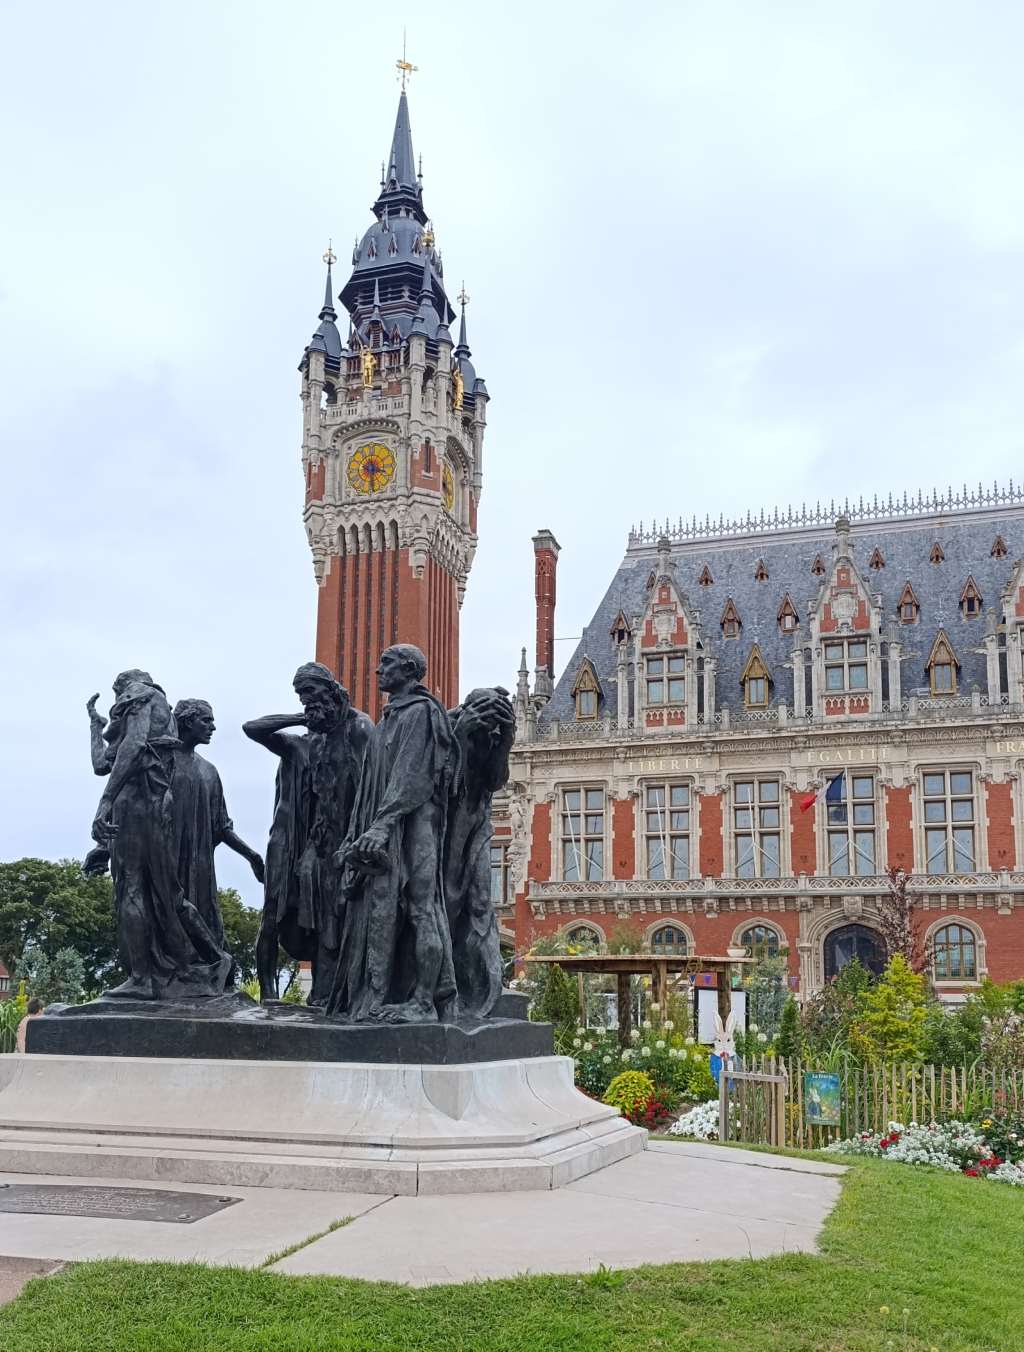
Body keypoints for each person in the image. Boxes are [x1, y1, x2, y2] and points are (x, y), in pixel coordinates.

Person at [327, 645, 458, 1024]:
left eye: (386, 663)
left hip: (414, 826)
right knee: (390, 909)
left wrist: (382, 825)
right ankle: (376, 994)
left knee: (422, 909)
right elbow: (369, 788)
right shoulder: (387, 721)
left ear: (409, 670)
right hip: (386, 826)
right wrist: (356, 834)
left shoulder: (419, 713)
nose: (376, 669)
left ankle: (424, 1002)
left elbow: (411, 775)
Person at [87, 670, 233, 999]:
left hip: (135, 802)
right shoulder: (162, 711)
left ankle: (141, 979)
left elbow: (135, 745)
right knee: (172, 895)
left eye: (117, 693)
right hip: (157, 805)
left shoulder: (138, 692)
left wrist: (106, 800)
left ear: (125, 686)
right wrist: (96, 727)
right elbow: (102, 763)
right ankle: (216, 958)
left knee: (132, 890)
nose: (117, 700)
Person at [243, 663, 372, 1005]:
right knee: (275, 914)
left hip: (336, 843)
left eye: (310, 694)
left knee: (328, 916)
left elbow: (368, 789)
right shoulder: (299, 743)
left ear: (331, 689)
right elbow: (251, 729)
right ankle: (269, 996)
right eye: (301, 696)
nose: (306, 701)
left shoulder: (357, 728)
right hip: (291, 842)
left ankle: (325, 992)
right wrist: (300, 718)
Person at [444, 687, 515, 1017]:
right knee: (447, 902)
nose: (491, 725)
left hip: (477, 827)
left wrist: (508, 737)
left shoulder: (491, 737)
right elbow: (444, 783)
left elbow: (495, 779)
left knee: (480, 901)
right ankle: (445, 987)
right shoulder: (447, 730)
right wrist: (460, 735)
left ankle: (485, 989)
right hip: (445, 832)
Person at [171, 699, 264, 950]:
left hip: (200, 868)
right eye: (206, 720)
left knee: (208, 929)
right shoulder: (160, 761)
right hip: (165, 862)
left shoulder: (208, 771)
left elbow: (222, 827)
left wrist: (253, 856)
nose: (212, 727)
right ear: (188, 721)